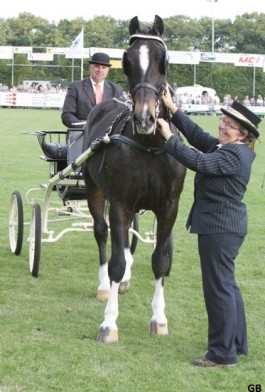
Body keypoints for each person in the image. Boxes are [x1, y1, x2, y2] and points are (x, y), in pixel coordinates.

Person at [157, 86, 261, 368]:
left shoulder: (234, 155)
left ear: (244, 135)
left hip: (220, 229)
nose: (223, 127)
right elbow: (199, 137)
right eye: (224, 121)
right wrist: (173, 109)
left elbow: (198, 161)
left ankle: (221, 354)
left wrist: (169, 138)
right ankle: (236, 344)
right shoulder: (227, 147)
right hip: (225, 227)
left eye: (230, 126)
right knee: (227, 288)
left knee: (218, 291)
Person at [61, 52, 124, 128]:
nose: (100, 70)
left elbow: (122, 116)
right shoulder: (75, 87)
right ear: (90, 68)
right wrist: (84, 126)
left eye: (104, 67)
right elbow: (67, 115)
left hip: (108, 136)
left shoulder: (117, 90)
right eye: (97, 66)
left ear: (108, 70)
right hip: (82, 134)